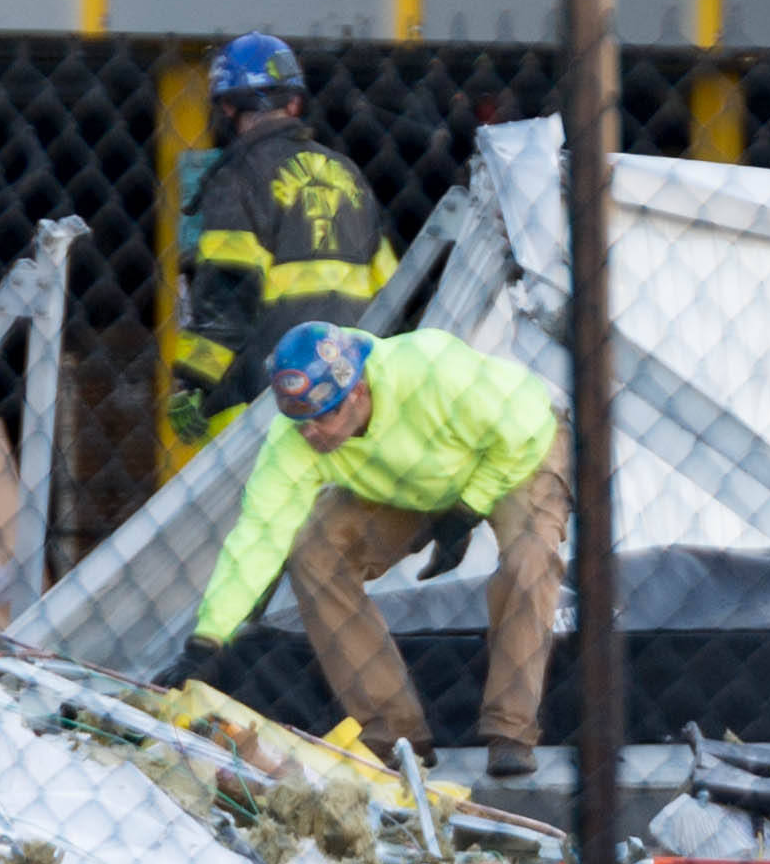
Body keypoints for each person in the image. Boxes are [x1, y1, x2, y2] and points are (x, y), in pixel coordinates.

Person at [180, 322, 569, 778]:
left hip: (518, 454)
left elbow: (526, 426)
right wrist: (209, 638)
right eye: (299, 421)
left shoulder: (429, 367)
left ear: (358, 390)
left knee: (530, 558)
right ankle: (395, 734)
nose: (312, 434)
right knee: (314, 552)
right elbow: (260, 534)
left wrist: (468, 509)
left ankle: (510, 731)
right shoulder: (299, 438)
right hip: (415, 480)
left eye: (324, 415)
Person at [167, 34, 395, 456]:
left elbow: (228, 296)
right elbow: (391, 286)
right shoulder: (348, 175)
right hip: (349, 398)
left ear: (227, 108)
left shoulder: (237, 178)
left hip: (268, 403)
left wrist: (191, 383)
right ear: (294, 104)